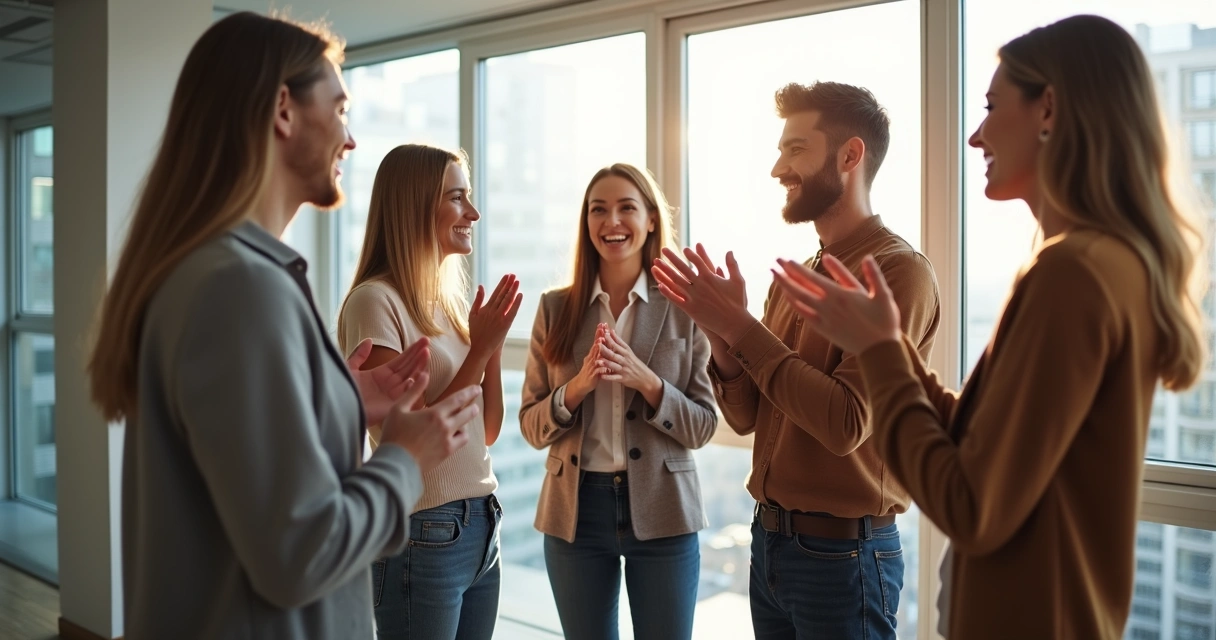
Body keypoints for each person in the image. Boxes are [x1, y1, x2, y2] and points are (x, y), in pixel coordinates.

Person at [771, 15, 1205, 639]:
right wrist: (889, 347)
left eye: (992, 106)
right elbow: (989, 443)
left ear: (1048, 109)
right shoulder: (1105, 263)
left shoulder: (1072, 273)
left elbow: (970, 503)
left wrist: (880, 352)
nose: (975, 136)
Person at [87, 13, 480, 640]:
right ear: (282, 110)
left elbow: (250, 473)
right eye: (341, 109)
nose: (350, 141)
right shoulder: (239, 288)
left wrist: (342, 400)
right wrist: (406, 458)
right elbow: (300, 555)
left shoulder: (220, 272)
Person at [652, 81, 940, 639]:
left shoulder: (898, 272)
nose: (777, 168)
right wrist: (723, 340)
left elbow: (845, 424)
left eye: (795, 149)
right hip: (771, 544)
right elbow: (749, 416)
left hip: (845, 558)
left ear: (850, 155)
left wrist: (742, 327)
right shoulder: (793, 280)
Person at [520, 164, 717, 640]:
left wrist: (648, 382)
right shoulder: (554, 308)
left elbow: (704, 425)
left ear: (651, 219)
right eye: (598, 210)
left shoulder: (684, 309)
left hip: (663, 507)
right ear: (586, 224)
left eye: (626, 207)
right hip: (575, 514)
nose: (612, 222)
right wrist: (577, 387)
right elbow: (530, 425)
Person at [337, 143, 520, 640]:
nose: (473, 213)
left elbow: (486, 430)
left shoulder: (445, 302)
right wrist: (478, 351)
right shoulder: (375, 301)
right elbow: (416, 442)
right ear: (416, 205)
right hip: (426, 529)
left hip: (482, 521)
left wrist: (492, 348)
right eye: (458, 198)